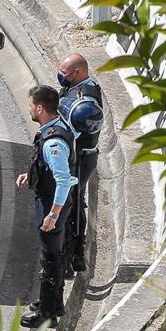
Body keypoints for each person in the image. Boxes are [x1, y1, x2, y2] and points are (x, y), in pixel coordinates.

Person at [17, 85, 77, 328]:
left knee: (50, 259)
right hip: (52, 201)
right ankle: (50, 303)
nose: (29, 109)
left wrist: (53, 214)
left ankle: (47, 314)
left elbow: (63, 180)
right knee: (53, 255)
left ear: (40, 108)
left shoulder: (53, 142)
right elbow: (48, 168)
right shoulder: (55, 128)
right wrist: (31, 175)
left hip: (52, 205)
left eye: (31, 105)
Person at [57, 53, 103, 277]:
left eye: (64, 72)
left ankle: (70, 256)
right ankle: (74, 254)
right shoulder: (75, 88)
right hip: (79, 157)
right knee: (74, 202)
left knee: (70, 205)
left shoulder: (86, 100)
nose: (61, 76)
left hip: (80, 159)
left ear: (77, 72)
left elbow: (80, 128)